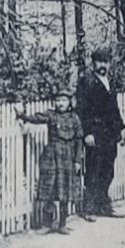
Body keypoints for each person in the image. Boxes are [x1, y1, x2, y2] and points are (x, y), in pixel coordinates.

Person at [21, 88, 86, 234]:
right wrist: (23, 115)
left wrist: (77, 160)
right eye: (58, 100)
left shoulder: (74, 118)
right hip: (51, 156)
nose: (60, 103)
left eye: (64, 100)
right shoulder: (51, 115)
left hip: (67, 156)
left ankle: (62, 223)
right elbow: (36, 118)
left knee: (65, 190)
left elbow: (79, 140)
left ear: (70, 102)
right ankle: (47, 224)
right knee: (49, 190)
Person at [76, 47, 125, 217]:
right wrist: (87, 132)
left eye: (106, 62)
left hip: (109, 133)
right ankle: (89, 208)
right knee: (93, 169)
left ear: (110, 64)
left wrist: (120, 129)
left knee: (107, 169)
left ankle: (103, 205)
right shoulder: (87, 81)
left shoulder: (109, 82)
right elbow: (83, 109)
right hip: (95, 131)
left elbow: (114, 109)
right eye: (99, 61)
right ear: (93, 63)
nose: (103, 65)